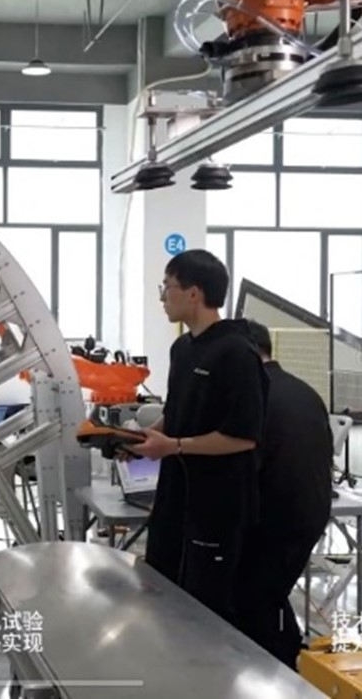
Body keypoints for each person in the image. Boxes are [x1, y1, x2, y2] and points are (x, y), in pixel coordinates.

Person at [129, 249, 267, 626]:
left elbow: (243, 437)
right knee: (162, 587)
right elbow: (176, 413)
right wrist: (139, 438)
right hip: (176, 496)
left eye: (167, 287)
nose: (162, 297)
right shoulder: (182, 349)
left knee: (206, 609)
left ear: (194, 293)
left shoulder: (237, 353)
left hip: (218, 503)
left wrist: (172, 446)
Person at [236, 320, 332, 669]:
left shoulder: (254, 395)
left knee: (252, 597)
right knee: (268, 594)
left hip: (274, 519)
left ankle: (280, 670)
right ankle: (290, 660)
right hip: (311, 513)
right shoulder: (304, 391)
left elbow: (242, 464)